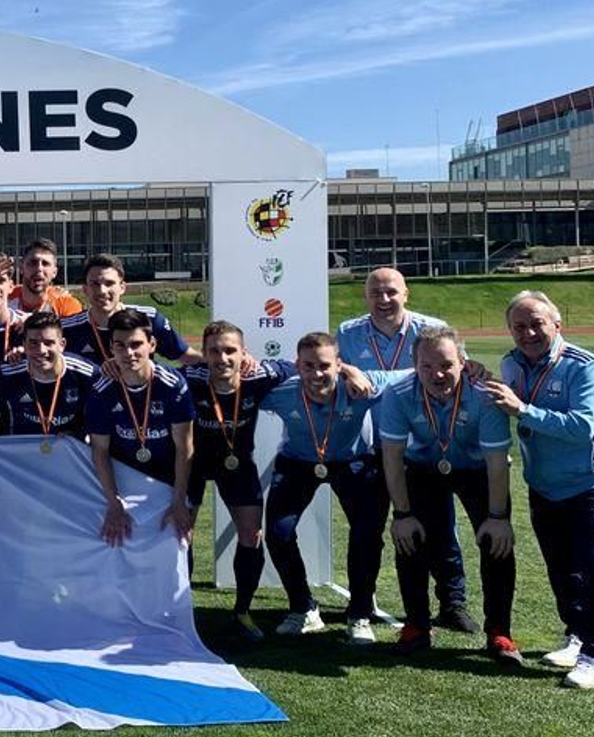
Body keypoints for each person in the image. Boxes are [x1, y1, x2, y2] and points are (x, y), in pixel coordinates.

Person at [482, 291, 594, 689]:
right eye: (519, 326)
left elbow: (582, 427)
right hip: (543, 484)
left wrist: (522, 410)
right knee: (561, 568)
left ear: (557, 325)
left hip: (591, 481)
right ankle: (577, 635)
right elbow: (501, 401)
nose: (528, 333)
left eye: (536, 324)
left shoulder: (585, 367)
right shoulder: (511, 364)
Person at [337, 267, 475, 634]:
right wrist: (346, 370)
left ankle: (452, 603)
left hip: (425, 451)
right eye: (375, 294)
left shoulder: (431, 328)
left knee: (441, 529)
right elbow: (343, 378)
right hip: (371, 448)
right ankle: (360, 608)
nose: (384, 300)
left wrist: (374, 377)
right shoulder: (348, 333)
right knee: (367, 532)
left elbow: (457, 374)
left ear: (406, 293)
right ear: (366, 297)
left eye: (391, 292)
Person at [379, 326, 519, 662]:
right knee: (410, 538)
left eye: (445, 364)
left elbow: (497, 461)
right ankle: (416, 625)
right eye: (426, 366)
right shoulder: (399, 394)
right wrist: (401, 514)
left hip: (477, 470)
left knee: (497, 544)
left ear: (462, 362)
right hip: (424, 469)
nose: (436, 374)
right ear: (415, 365)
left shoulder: (485, 394)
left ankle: (499, 633)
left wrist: (499, 518)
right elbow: (392, 456)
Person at [258, 332, 400, 644]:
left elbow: (418, 371)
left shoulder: (363, 384)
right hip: (297, 463)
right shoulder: (282, 392)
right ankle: (303, 608)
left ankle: (359, 613)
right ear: (298, 366)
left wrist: (470, 368)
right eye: (308, 366)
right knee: (278, 534)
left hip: (354, 462)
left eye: (324, 366)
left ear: (339, 364)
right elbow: (238, 387)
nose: (316, 374)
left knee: (366, 535)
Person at [182, 321, 297, 641]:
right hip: (191, 464)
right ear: (203, 354)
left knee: (251, 534)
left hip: (236, 464)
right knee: (181, 537)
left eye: (230, 350)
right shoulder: (188, 378)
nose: (223, 358)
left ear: (243, 353)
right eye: (215, 351)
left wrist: (347, 370)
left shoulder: (258, 376)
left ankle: (242, 612)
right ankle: (181, 611)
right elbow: (149, 375)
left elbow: (295, 365)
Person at [86, 308, 195, 548]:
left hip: (167, 479)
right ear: (111, 347)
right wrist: (114, 503)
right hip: (124, 479)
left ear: (152, 344)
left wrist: (178, 501)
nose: (129, 353)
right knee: (117, 545)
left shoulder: (173, 386)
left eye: (136, 344)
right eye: (121, 345)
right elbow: (100, 450)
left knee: (178, 543)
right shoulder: (102, 390)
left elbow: (184, 448)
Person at [61, 254, 198, 368]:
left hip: (141, 398)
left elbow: (188, 356)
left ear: (122, 287)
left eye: (109, 283)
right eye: (95, 284)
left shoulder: (148, 318)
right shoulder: (67, 328)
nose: (102, 291)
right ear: (85, 289)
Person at [0, 311, 97, 441]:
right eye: (33, 343)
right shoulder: (7, 373)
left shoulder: (86, 374)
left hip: (67, 455)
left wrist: (79, 433)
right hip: (20, 455)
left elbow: (102, 423)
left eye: (48, 343)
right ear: (23, 345)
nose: (41, 350)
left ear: (62, 345)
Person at [13, 238, 83, 316]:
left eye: (45, 263)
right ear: (21, 268)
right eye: (33, 263)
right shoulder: (5, 298)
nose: (39, 269)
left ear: (54, 272)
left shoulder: (65, 304)